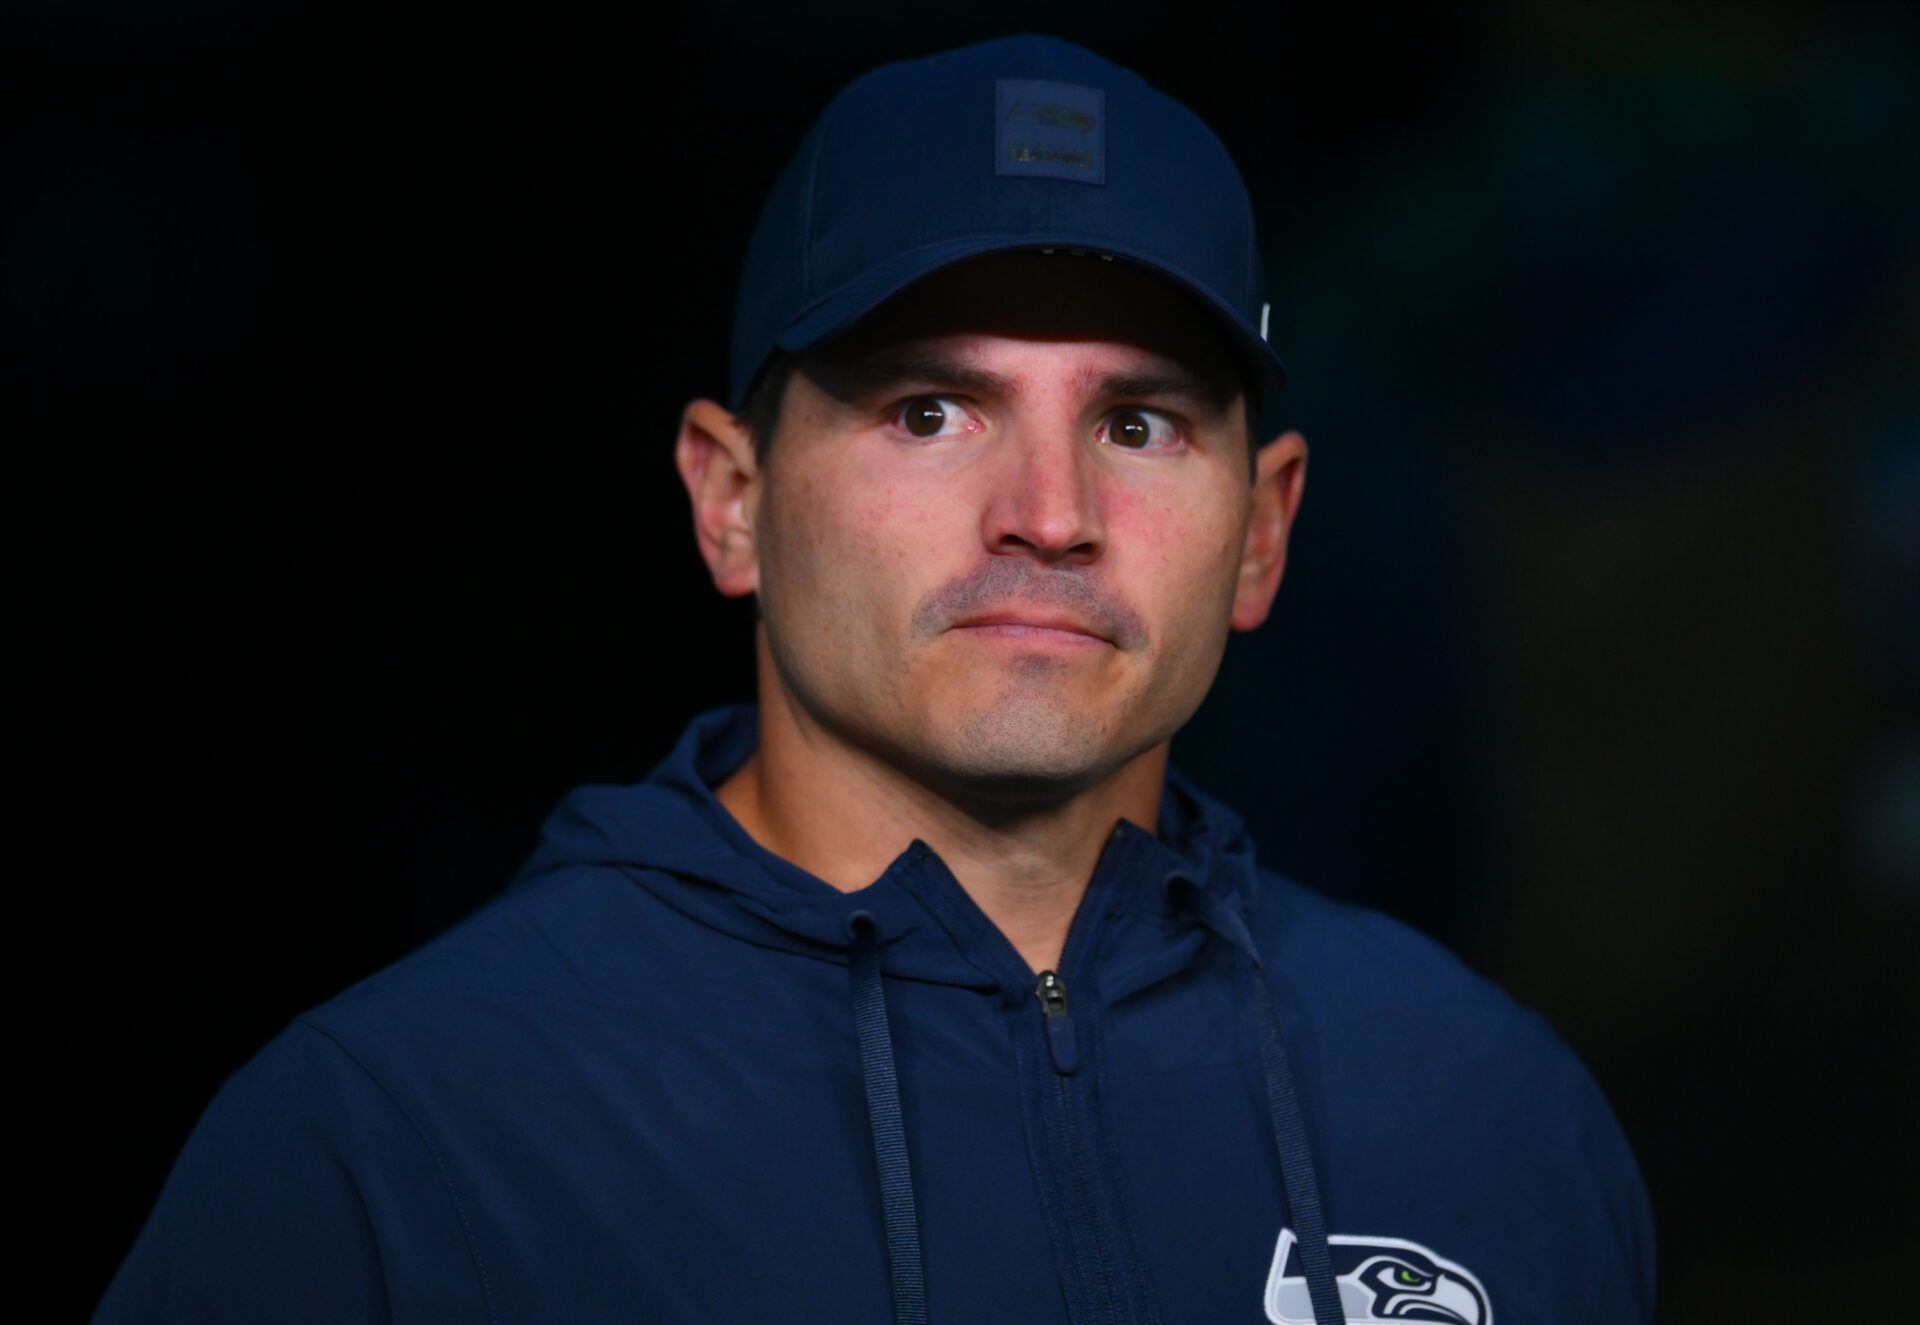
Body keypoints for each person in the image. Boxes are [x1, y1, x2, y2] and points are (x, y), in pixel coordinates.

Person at [95, 33, 1654, 1325]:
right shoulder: (395, 1146)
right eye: (930, 410)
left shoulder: (1485, 1112)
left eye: (1139, 424)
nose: (1047, 511)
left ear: (1261, 531)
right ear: (731, 498)